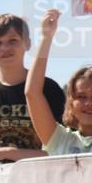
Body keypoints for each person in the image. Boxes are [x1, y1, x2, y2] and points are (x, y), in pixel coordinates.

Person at [0, 13, 66, 169]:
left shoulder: (49, 89)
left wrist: (8, 153)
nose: (5, 48)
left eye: (13, 41)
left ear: (27, 43)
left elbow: (63, 153)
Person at [24, 9, 92, 155]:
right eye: (81, 96)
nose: (89, 103)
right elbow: (32, 93)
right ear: (71, 103)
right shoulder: (59, 139)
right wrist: (46, 38)